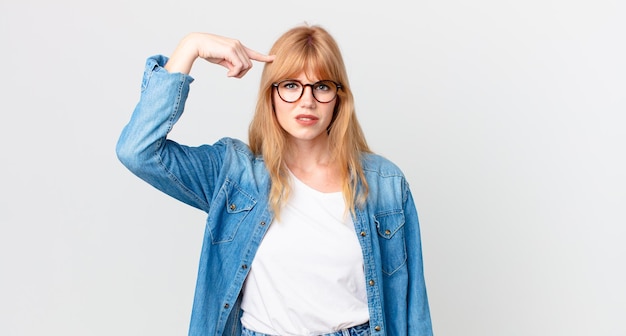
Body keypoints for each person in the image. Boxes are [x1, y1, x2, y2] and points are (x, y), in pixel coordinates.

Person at [116, 24, 433, 336]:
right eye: (291, 85)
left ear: (339, 97)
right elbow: (138, 151)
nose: (306, 101)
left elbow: (413, 309)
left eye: (321, 86)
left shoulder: (385, 184)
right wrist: (191, 46)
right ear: (272, 94)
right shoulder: (235, 175)